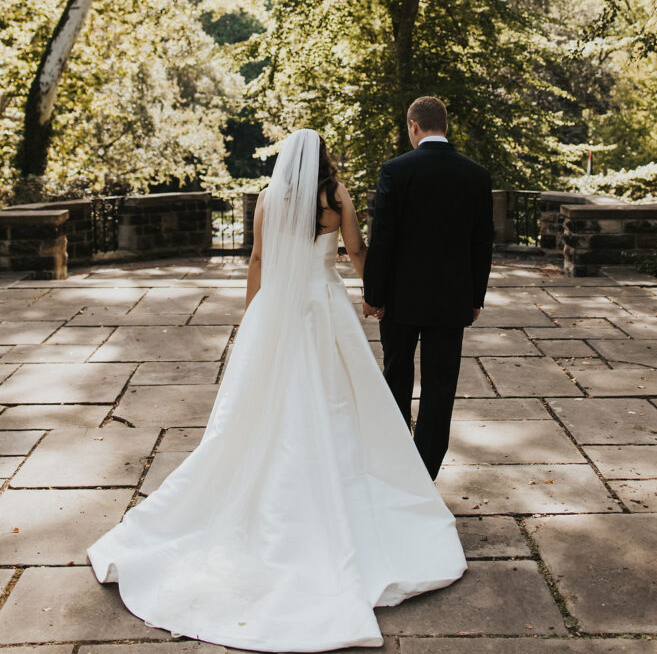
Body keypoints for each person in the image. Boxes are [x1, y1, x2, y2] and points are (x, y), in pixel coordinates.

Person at [87, 128, 467, 651]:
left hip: (279, 310)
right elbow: (356, 249)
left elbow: (259, 261)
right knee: (343, 399)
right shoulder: (336, 196)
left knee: (267, 404)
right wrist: (374, 296)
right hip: (324, 306)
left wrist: (252, 317)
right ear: (323, 157)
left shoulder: (268, 198)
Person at [363, 96, 494, 481]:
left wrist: (374, 295)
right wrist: (475, 299)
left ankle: (397, 460)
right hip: (452, 300)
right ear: (445, 127)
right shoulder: (476, 175)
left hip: (400, 301)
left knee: (396, 375)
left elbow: (382, 239)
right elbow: (481, 243)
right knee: (440, 385)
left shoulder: (395, 171)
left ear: (413, 127)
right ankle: (425, 470)